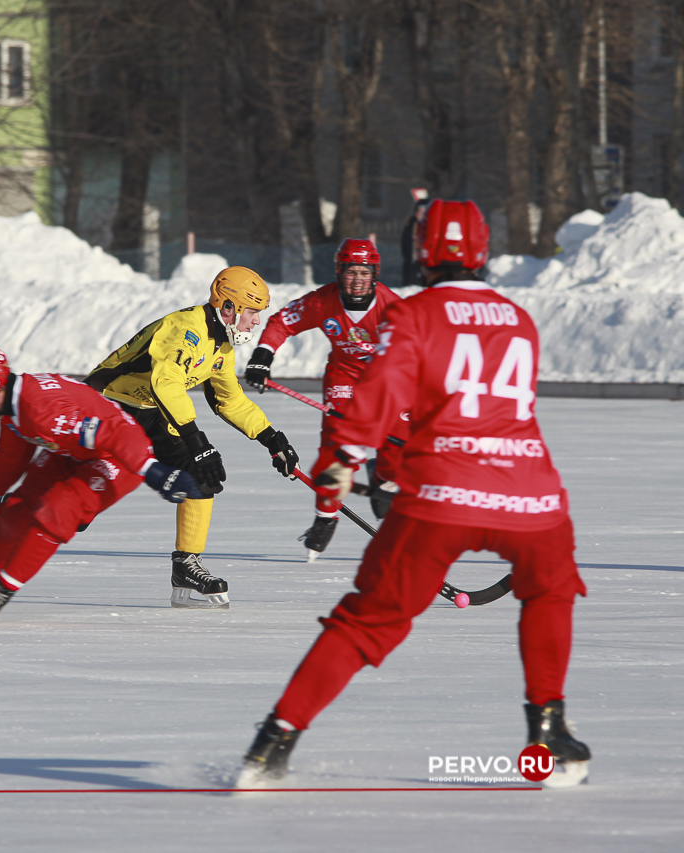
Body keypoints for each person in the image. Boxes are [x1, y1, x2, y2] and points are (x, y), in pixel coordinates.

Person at [236, 200, 591, 790]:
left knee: (367, 620)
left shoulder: (411, 314)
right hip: (532, 496)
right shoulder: (520, 319)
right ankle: (547, 724)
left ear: (418, 253)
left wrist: (342, 462)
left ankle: (274, 740)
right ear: (482, 252)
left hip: (442, 497)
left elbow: (378, 397)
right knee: (551, 590)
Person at [0, 342, 206, 625]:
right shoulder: (15, 408)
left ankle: (1, 590)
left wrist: (153, 470)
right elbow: (9, 457)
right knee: (12, 513)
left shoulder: (41, 409)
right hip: (71, 451)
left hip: (118, 457)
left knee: (57, 509)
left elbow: (114, 432)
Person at [85, 267, 301, 608]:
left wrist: (272, 439)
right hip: (111, 405)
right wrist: (198, 441)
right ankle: (3, 520)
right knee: (87, 495)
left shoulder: (223, 346)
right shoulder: (186, 329)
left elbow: (228, 400)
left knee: (200, 475)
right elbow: (166, 384)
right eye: (253, 313)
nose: (256, 322)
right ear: (228, 307)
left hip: (152, 408)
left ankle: (186, 565)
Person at [244, 238, 409, 558]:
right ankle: (326, 515)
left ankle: (384, 479)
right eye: (351, 272)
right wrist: (263, 356)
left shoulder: (394, 308)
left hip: (388, 380)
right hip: (344, 378)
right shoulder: (323, 302)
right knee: (337, 446)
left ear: (375, 274)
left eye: (364, 272)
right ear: (339, 272)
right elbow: (283, 322)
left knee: (398, 450)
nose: (357, 279)